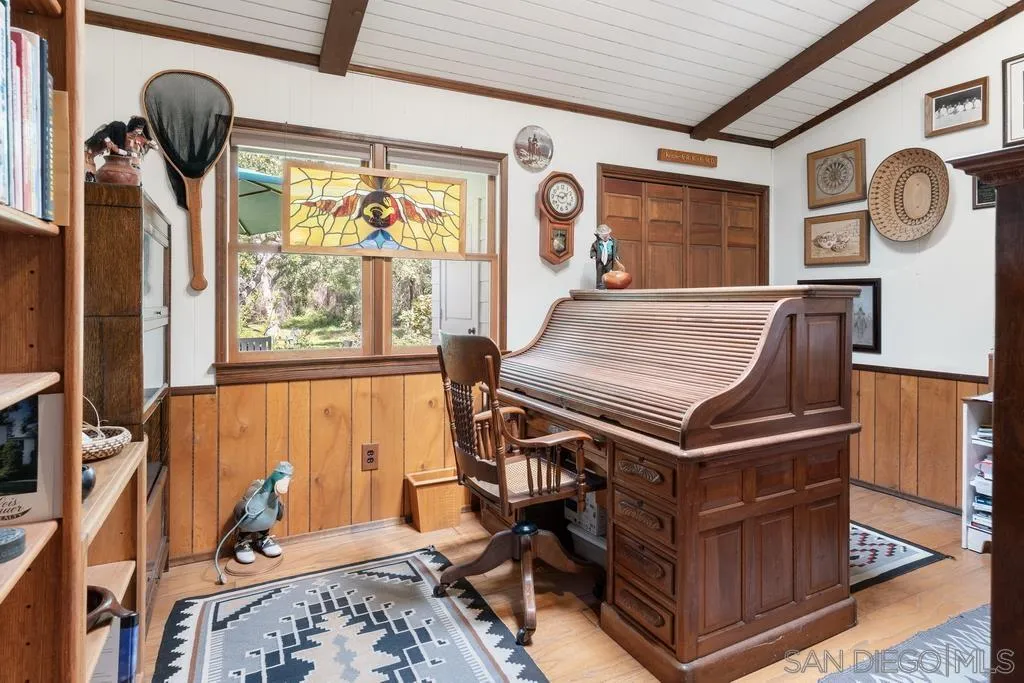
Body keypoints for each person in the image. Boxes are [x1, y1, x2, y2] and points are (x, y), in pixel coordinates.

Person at [590, 224, 617, 289]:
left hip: (609, 260)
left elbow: (616, 250)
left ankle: (609, 284)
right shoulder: (596, 243)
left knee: (609, 273)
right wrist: (593, 255)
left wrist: (616, 256)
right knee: (600, 272)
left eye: (606, 235)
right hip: (600, 260)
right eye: (603, 236)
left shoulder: (613, 242)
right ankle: (600, 285)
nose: (605, 237)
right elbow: (593, 250)